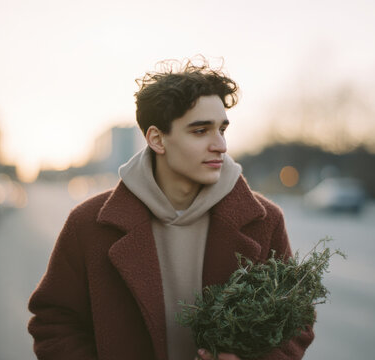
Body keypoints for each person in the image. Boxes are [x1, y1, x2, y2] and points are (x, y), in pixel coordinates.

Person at [27, 57, 315, 360]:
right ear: (157, 139)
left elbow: (297, 323)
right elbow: (55, 322)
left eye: (222, 130)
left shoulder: (264, 220)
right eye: (201, 131)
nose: (220, 145)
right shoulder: (88, 224)